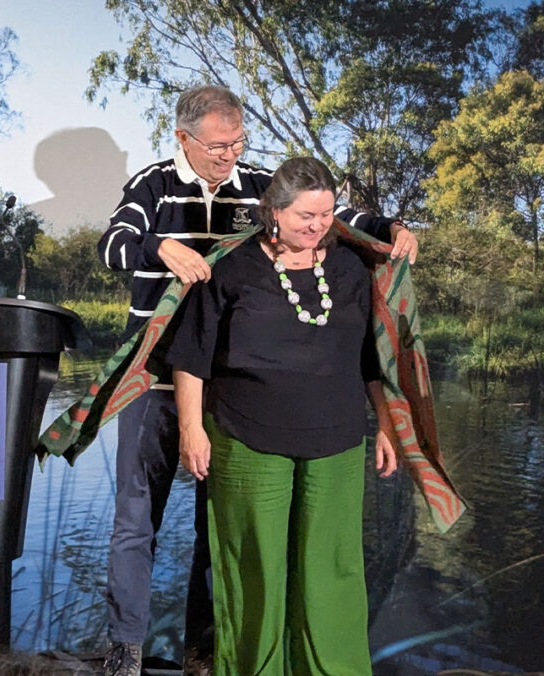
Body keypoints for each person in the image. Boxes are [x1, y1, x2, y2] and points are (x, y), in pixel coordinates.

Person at [96, 86, 417, 676]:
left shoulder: (258, 186)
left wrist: (389, 227)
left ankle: (204, 649)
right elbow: (112, 244)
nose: (229, 155)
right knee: (137, 518)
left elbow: (332, 214)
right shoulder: (153, 186)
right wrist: (161, 247)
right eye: (218, 146)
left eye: (237, 143)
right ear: (184, 138)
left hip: (221, 388)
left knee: (217, 527)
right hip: (153, 379)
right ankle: (125, 648)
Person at [166, 157, 399, 675]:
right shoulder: (231, 267)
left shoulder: (350, 269)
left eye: (326, 215)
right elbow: (191, 356)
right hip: (247, 438)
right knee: (256, 567)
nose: (317, 226)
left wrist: (386, 424)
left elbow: (370, 359)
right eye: (305, 216)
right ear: (274, 211)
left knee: (332, 568)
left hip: (338, 439)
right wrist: (191, 429)